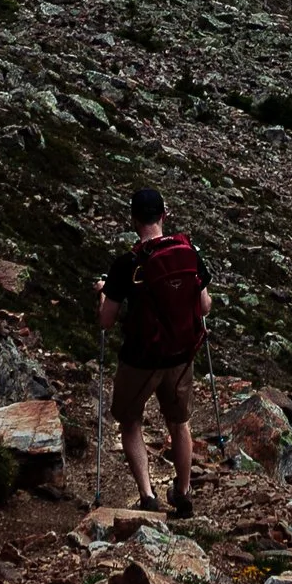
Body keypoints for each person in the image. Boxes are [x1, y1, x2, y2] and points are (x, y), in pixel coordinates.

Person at [97, 183, 211, 517]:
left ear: (134, 219)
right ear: (164, 214)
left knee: (130, 421)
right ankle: (183, 491)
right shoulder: (188, 253)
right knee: (179, 422)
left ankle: (148, 496)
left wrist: (103, 293)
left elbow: (107, 321)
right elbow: (204, 307)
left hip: (141, 358)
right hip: (180, 355)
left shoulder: (126, 264)